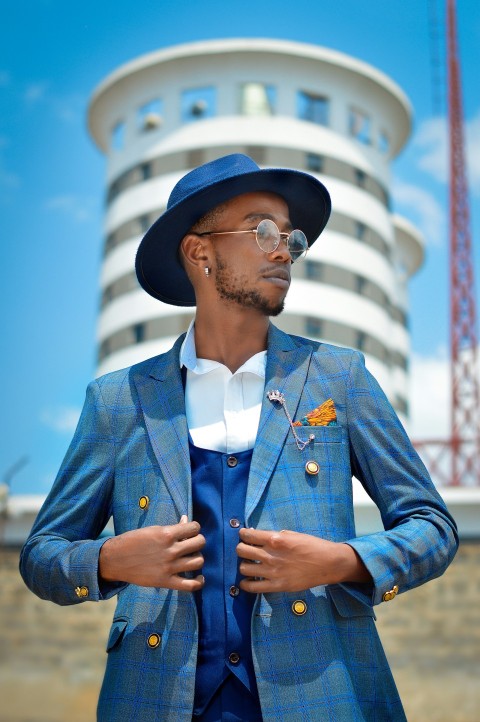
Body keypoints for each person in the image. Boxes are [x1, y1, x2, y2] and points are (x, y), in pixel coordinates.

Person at [20, 153, 458, 722]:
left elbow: (433, 526)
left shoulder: (338, 378)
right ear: (199, 251)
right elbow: (41, 557)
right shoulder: (119, 400)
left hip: (322, 694)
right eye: (262, 230)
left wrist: (342, 560)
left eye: (291, 238)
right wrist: (110, 559)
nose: (283, 251)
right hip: (153, 700)